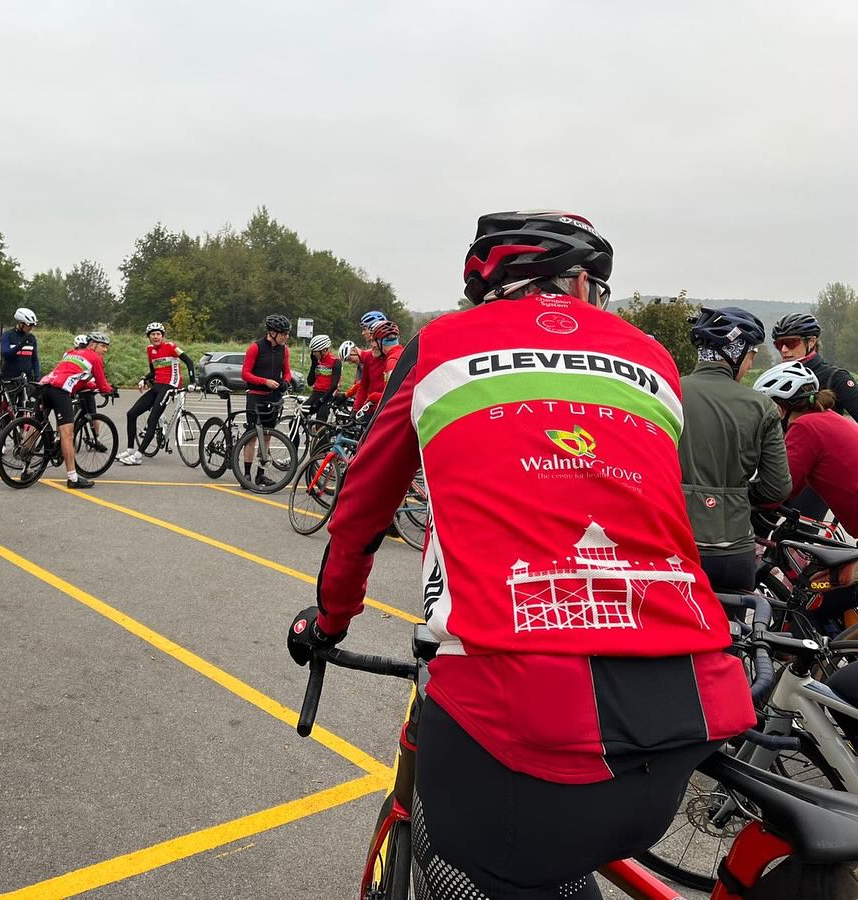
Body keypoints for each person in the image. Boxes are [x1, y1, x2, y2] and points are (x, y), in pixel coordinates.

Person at [287, 211, 754, 900]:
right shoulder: (652, 357)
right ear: (584, 285)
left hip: (516, 724)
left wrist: (329, 620)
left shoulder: (440, 344)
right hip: (688, 709)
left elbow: (360, 511)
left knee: (471, 856)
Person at [677, 307, 790, 592]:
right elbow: (777, 487)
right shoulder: (761, 406)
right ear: (735, 353)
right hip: (735, 550)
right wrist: (734, 495)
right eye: (751, 355)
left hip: (678, 544)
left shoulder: (669, 392)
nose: (750, 364)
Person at [753, 361, 858, 626]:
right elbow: (793, 487)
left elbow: (777, 490)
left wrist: (743, 496)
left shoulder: (805, 427)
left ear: (779, 408)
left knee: (814, 603)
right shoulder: (828, 419)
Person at [770, 312, 858, 523]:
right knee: (758, 526)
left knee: (798, 536)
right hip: (787, 464)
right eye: (779, 344)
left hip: (818, 475)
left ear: (812, 341)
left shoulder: (835, 377)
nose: (784, 349)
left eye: (791, 342)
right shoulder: (779, 378)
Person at [37, 331, 114, 489]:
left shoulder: (72, 353)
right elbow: (102, 384)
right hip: (60, 391)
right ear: (92, 345)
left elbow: (76, 376)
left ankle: (25, 464)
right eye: (103, 346)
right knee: (67, 434)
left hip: (45, 386)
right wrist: (110, 391)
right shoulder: (95, 358)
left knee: (36, 425)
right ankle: (73, 478)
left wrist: (91, 385)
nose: (105, 350)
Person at [118, 322, 196, 466]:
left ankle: (138, 456)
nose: (155, 337)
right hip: (157, 386)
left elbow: (189, 362)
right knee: (131, 414)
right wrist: (144, 378)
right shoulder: (150, 350)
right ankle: (130, 450)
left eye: (158, 334)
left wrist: (192, 382)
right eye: (153, 334)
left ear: (162, 335)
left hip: (170, 386)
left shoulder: (171, 346)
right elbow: (153, 372)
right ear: (149, 337)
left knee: (152, 419)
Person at [240, 314, 292, 488]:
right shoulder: (255, 348)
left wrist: (285, 382)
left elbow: (287, 372)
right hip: (256, 395)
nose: (286, 337)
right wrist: (264, 381)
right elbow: (245, 374)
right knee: (252, 436)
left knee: (267, 436)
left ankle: (260, 475)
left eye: (287, 333)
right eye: (283, 333)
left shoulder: (285, 350)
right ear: (272, 333)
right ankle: (246, 474)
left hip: (273, 396)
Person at [363, 320, 402, 411]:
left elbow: (392, 396)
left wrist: (373, 397)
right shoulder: (402, 353)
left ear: (380, 341)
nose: (372, 345)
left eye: (373, 341)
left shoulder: (392, 361)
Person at [304, 334, 341, 422]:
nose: (313, 354)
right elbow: (310, 382)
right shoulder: (317, 361)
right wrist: (313, 365)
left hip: (328, 395)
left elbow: (334, 385)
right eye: (312, 351)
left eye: (315, 351)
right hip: (315, 393)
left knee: (320, 421)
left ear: (324, 350)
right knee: (299, 415)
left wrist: (321, 400)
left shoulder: (336, 362)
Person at [1, 307, 41, 383]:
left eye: (33, 325)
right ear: (20, 323)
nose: (31, 328)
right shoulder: (7, 335)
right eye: (29, 325)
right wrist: (21, 345)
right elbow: (6, 354)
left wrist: (37, 377)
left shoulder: (31, 338)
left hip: (27, 380)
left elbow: (35, 359)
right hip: (10, 379)